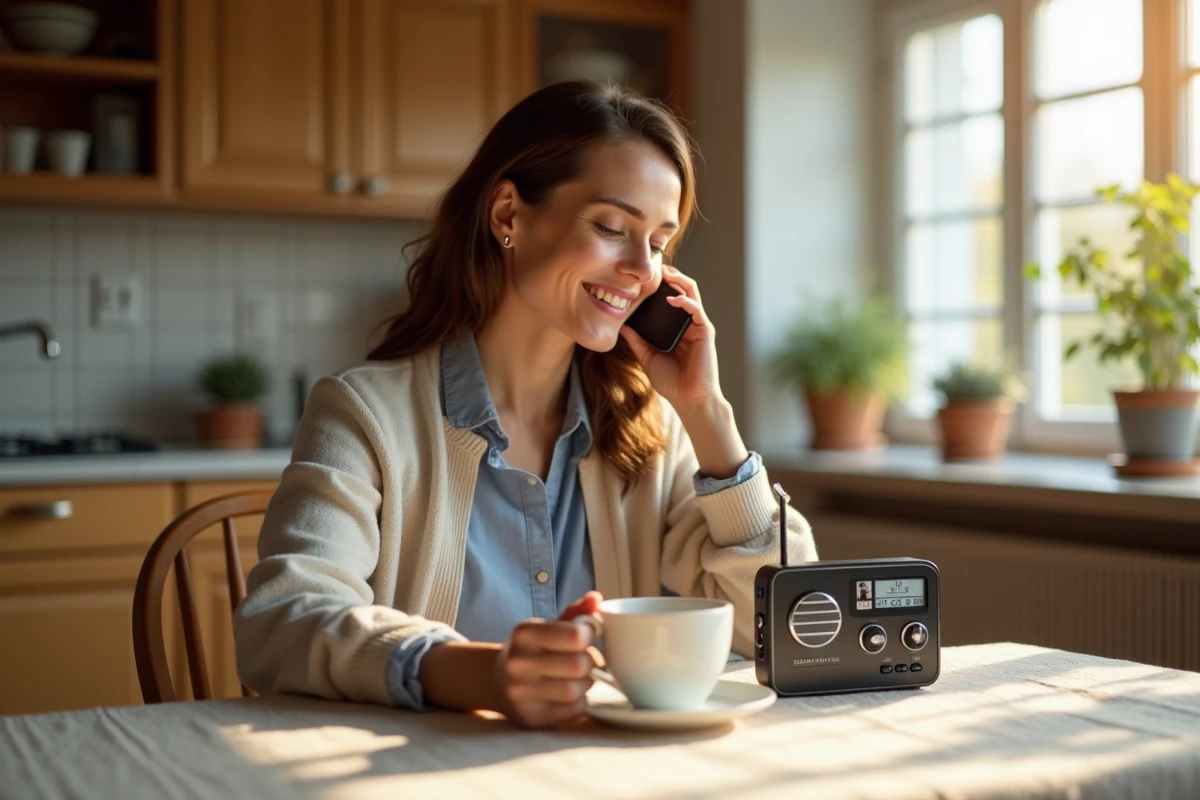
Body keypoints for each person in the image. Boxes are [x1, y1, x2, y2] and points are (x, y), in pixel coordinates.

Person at [234, 82, 818, 729]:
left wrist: (707, 410)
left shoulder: (653, 433)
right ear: (508, 214)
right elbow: (282, 620)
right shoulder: (364, 414)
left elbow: (786, 627)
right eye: (611, 227)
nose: (639, 270)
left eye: (658, 243)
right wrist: (482, 674)